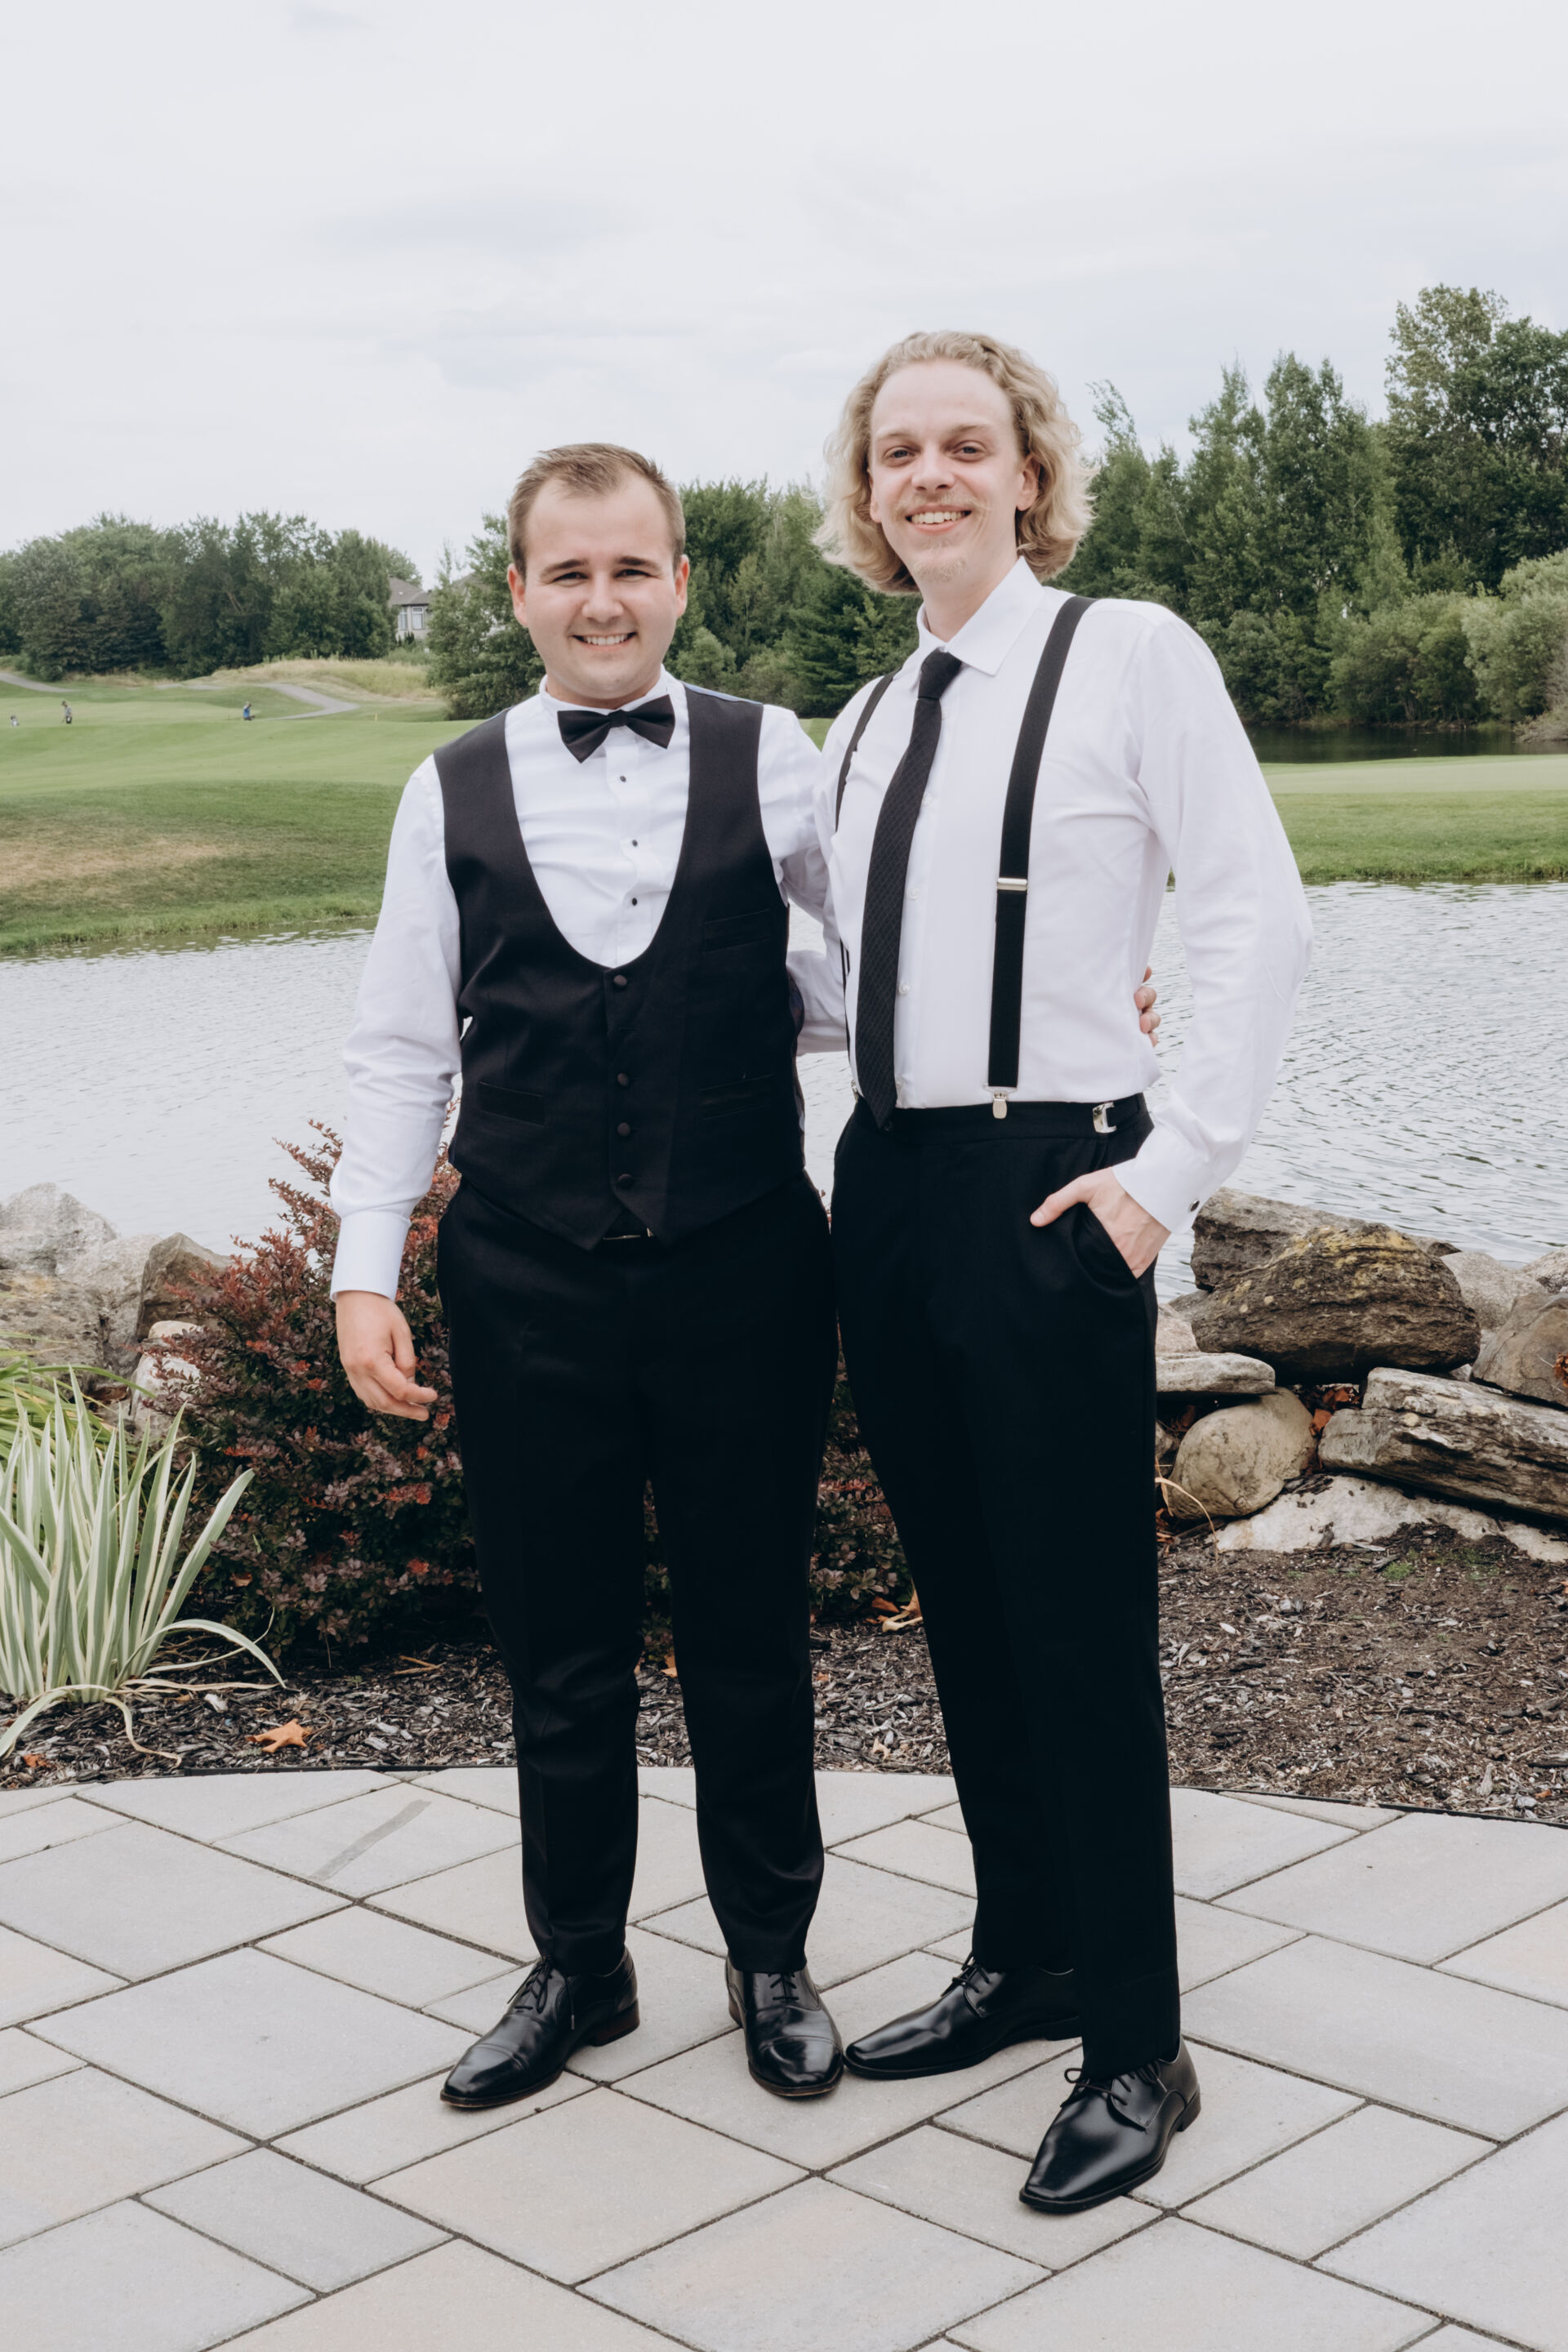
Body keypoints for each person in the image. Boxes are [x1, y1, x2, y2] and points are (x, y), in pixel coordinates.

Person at [817, 332, 1312, 2214]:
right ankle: (1023, 1958)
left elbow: (1251, 905)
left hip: (1056, 1184)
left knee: (1079, 1623)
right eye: (899, 451)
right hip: (889, 1186)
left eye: (968, 444)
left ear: (1029, 473)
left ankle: (1137, 2043)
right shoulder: (862, 722)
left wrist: (1165, 1175)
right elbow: (837, 981)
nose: (931, 476)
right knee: (962, 1600)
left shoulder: (1131, 654)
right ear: (867, 493)